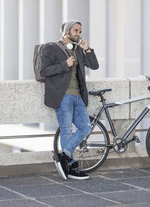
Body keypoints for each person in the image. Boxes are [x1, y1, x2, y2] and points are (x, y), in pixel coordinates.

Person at [40, 20, 99, 180]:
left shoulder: (79, 50)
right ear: (67, 32)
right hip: (63, 96)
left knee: (86, 127)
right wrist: (64, 64)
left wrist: (87, 49)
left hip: (78, 96)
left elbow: (94, 66)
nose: (79, 34)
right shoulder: (51, 48)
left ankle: (64, 157)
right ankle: (71, 167)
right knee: (66, 130)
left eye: (80, 31)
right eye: (76, 30)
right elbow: (44, 70)